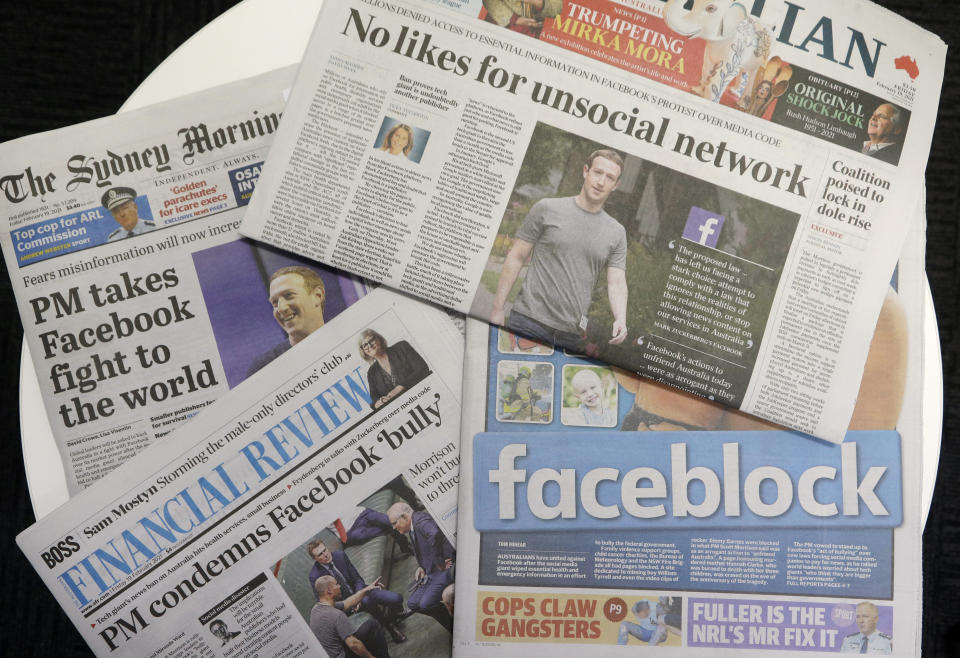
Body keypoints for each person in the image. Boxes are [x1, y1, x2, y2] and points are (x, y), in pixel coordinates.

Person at [490, 149, 628, 351]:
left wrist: (621, 319)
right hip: (529, 321)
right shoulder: (547, 208)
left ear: (616, 185)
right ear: (585, 171)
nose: (601, 182)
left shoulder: (616, 232)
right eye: (597, 173)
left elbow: (616, 282)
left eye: (609, 178)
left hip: (570, 334)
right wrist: (497, 308)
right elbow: (516, 257)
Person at [306, 539, 406, 643]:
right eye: (320, 555)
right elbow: (324, 601)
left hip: (360, 591)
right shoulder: (315, 576)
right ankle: (391, 628)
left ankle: (392, 617)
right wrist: (350, 604)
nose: (325, 555)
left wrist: (358, 596)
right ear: (315, 559)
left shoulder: (340, 555)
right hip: (345, 605)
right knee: (367, 602)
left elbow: (357, 579)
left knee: (397, 598)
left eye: (325, 550)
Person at [387, 502, 455, 632]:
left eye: (395, 523)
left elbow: (434, 533)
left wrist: (440, 562)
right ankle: (452, 620)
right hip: (431, 573)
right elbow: (425, 548)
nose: (394, 527)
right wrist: (421, 566)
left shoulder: (420, 520)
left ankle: (453, 626)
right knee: (412, 603)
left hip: (441, 572)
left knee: (426, 603)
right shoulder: (412, 526)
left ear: (405, 517)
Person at [247, 266, 326, 377]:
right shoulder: (264, 368)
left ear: (317, 296)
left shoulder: (347, 333)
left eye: (289, 295)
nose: (281, 308)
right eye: (275, 302)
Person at [310, 575, 391, 658]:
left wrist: (367, 589)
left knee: (369, 628)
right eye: (336, 584)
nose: (339, 586)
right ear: (329, 590)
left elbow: (347, 603)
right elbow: (353, 645)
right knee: (373, 626)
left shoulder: (316, 609)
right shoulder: (336, 615)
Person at [359, 329, 430, 409]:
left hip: (423, 397)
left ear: (379, 339)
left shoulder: (401, 347)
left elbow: (422, 368)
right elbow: (374, 398)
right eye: (365, 345)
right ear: (364, 351)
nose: (369, 345)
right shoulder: (371, 372)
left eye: (371, 340)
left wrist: (400, 387)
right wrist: (379, 403)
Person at [482, 0, 562, 38]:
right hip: (500, 23)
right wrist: (514, 19)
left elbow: (556, 9)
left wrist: (538, 3)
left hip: (530, 32)